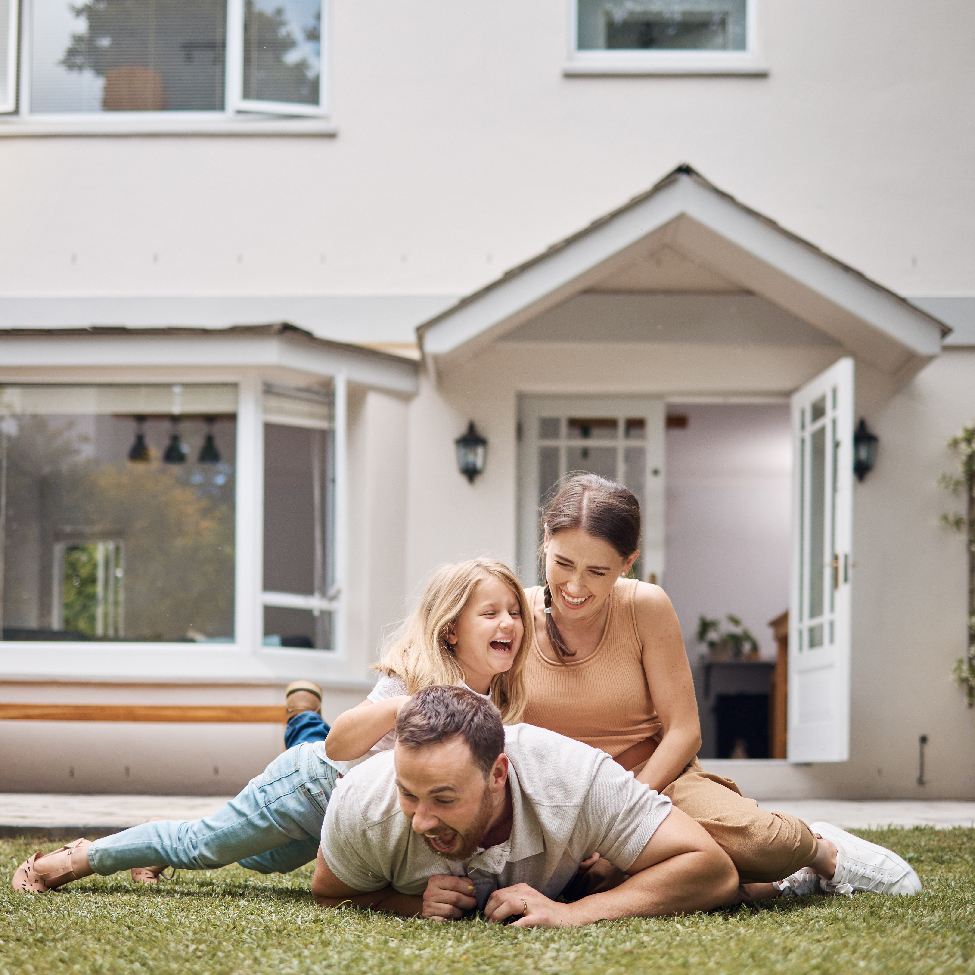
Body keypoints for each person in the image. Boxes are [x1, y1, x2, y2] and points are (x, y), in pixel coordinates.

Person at [11, 558, 531, 894]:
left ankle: (299, 716)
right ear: (450, 630)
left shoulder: (499, 699)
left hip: (339, 821)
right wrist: (410, 707)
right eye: (490, 613)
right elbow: (341, 743)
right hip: (310, 787)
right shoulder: (414, 678)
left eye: (514, 611)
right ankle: (69, 860)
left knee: (262, 865)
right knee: (202, 844)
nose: (507, 622)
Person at [519, 472, 921, 899]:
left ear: (627, 562)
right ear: (546, 540)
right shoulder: (513, 614)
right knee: (585, 883)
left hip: (652, 780)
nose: (575, 586)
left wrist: (618, 811)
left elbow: (683, 731)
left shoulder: (644, 606)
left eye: (597, 571)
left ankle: (822, 853)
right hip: (558, 798)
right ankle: (765, 883)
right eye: (563, 563)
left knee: (763, 843)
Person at [311, 685, 740, 925]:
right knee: (302, 747)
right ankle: (303, 716)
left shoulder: (574, 777)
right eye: (409, 793)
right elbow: (329, 892)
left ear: (498, 775)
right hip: (305, 774)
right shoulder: (366, 802)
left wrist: (573, 913)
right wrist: (409, 904)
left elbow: (714, 870)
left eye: (444, 798)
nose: (421, 820)